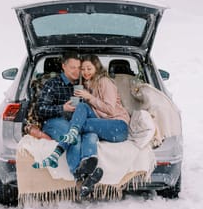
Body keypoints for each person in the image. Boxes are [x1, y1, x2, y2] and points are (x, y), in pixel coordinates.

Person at [34, 54, 131, 197]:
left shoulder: (101, 82)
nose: (81, 71)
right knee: (88, 132)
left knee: (80, 119)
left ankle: (66, 149)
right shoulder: (54, 84)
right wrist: (63, 108)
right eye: (78, 68)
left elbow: (109, 110)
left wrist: (87, 98)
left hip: (116, 124)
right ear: (63, 66)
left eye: (84, 68)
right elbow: (40, 110)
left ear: (96, 68)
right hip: (60, 120)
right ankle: (86, 167)